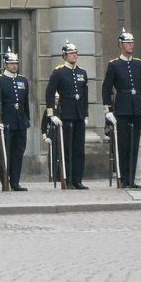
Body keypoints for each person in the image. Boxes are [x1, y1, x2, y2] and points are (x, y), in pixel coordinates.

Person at [102, 28, 141, 189]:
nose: (131, 45)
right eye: (128, 42)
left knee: (134, 146)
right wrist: (108, 110)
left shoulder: (138, 64)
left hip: (135, 108)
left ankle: (131, 179)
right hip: (122, 108)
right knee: (123, 145)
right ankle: (123, 178)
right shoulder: (114, 65)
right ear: (121, 45)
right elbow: (106, 88)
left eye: (132, 42)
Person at [45, 40, 89, 189]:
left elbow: (85, 95)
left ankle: (77, 179)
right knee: (67, 149)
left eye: (75, 53)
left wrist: (86, 114)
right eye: (71, 53)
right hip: (66, 113)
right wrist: (51, 113)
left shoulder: (82, 72)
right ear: (64, 56)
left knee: (79, 149)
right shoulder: (58, 72)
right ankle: (67, 179)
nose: (74, 55)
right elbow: (50, 93)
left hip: (78, 114)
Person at [0, 47, 30, 191]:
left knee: (18, 153)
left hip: (20, 122)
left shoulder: (23, 80)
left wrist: (26, 119)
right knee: (5, 153)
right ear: (5, 64)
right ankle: (5, 179)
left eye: (16, 63)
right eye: (11, 63)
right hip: (6, 122)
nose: (14, 65)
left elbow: (25, 103)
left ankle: (15, 181)